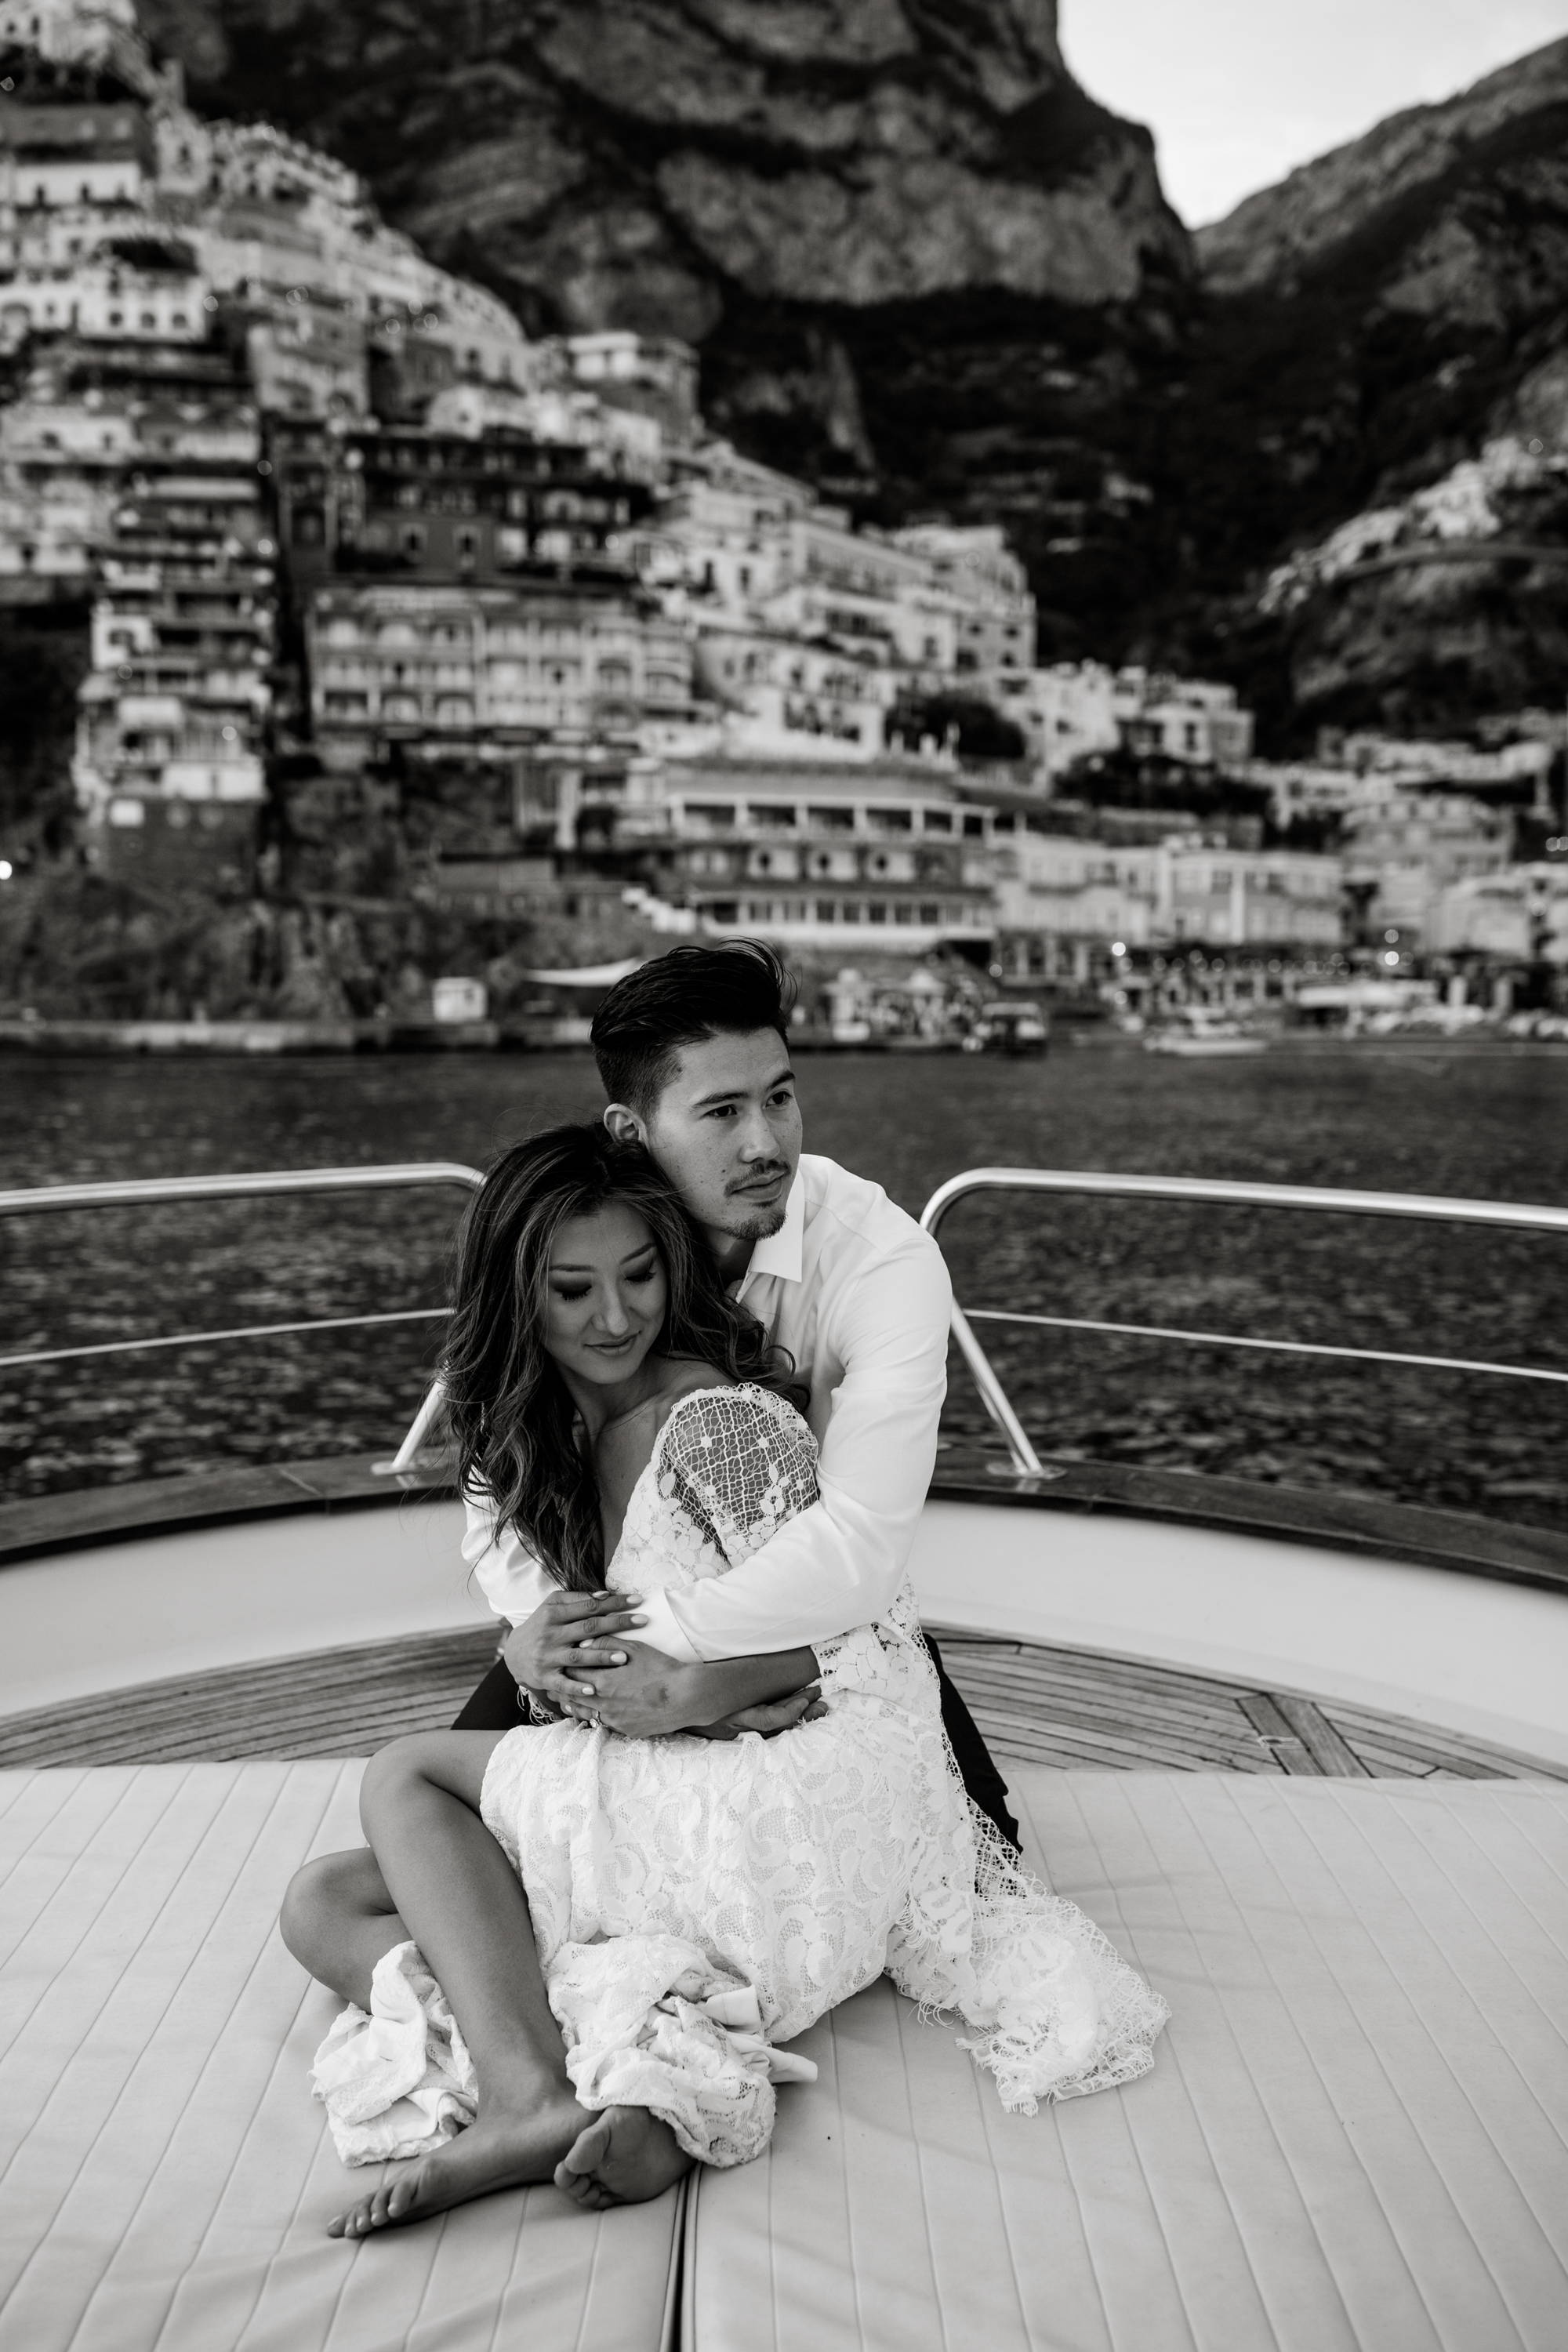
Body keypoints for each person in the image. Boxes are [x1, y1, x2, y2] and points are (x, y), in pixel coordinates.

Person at [281, 1126, 1167, 2238]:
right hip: (671, 1806)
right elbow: (547, 1622)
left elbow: (871, 1637)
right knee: (325, 1904)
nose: (615, 1318)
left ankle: (527, 2093)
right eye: (573, 1289)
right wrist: (523, 1657)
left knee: (406, 1776)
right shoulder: (530, 1436)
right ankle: (650, 2072)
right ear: (519, 1299)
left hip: (792, 1809)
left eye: (641, 1275)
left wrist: (702, 1696)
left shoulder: (721, 1428)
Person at [453, 942, 1020, 1849]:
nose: (766, 1144)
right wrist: (545, 1641)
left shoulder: (883, 1263)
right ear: (631, 1131)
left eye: (779, 1098)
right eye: (721, 1111)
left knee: (975, 1853)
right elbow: (495, 1439)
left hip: (818, 1628)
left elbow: (859, 1552)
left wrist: (675, 1674)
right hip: (607, 1618)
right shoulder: (584, 1232)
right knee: (451, 1840)